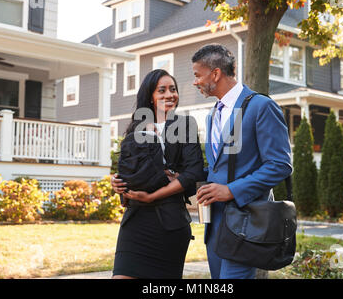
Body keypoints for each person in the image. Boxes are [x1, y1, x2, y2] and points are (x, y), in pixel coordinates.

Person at [192, 44, 292, 279]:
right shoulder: (213, 114)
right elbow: (219, 167)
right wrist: (184, 177)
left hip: (246, 223)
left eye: (198, 75)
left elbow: (280, 165)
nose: (195, 82)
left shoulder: (261, 107)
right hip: (215, 226)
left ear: (215, 74)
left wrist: (231, 190)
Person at [110, 69, 205, 279]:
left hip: (169, 221)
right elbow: (128, 169)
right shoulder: (137, 126)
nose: (169, 94)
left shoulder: (184, 124)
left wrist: (153, 194)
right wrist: (116, 182)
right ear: (151, 96)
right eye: (161, 90)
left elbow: (194, 171)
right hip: (136, 220)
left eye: (173, 89)